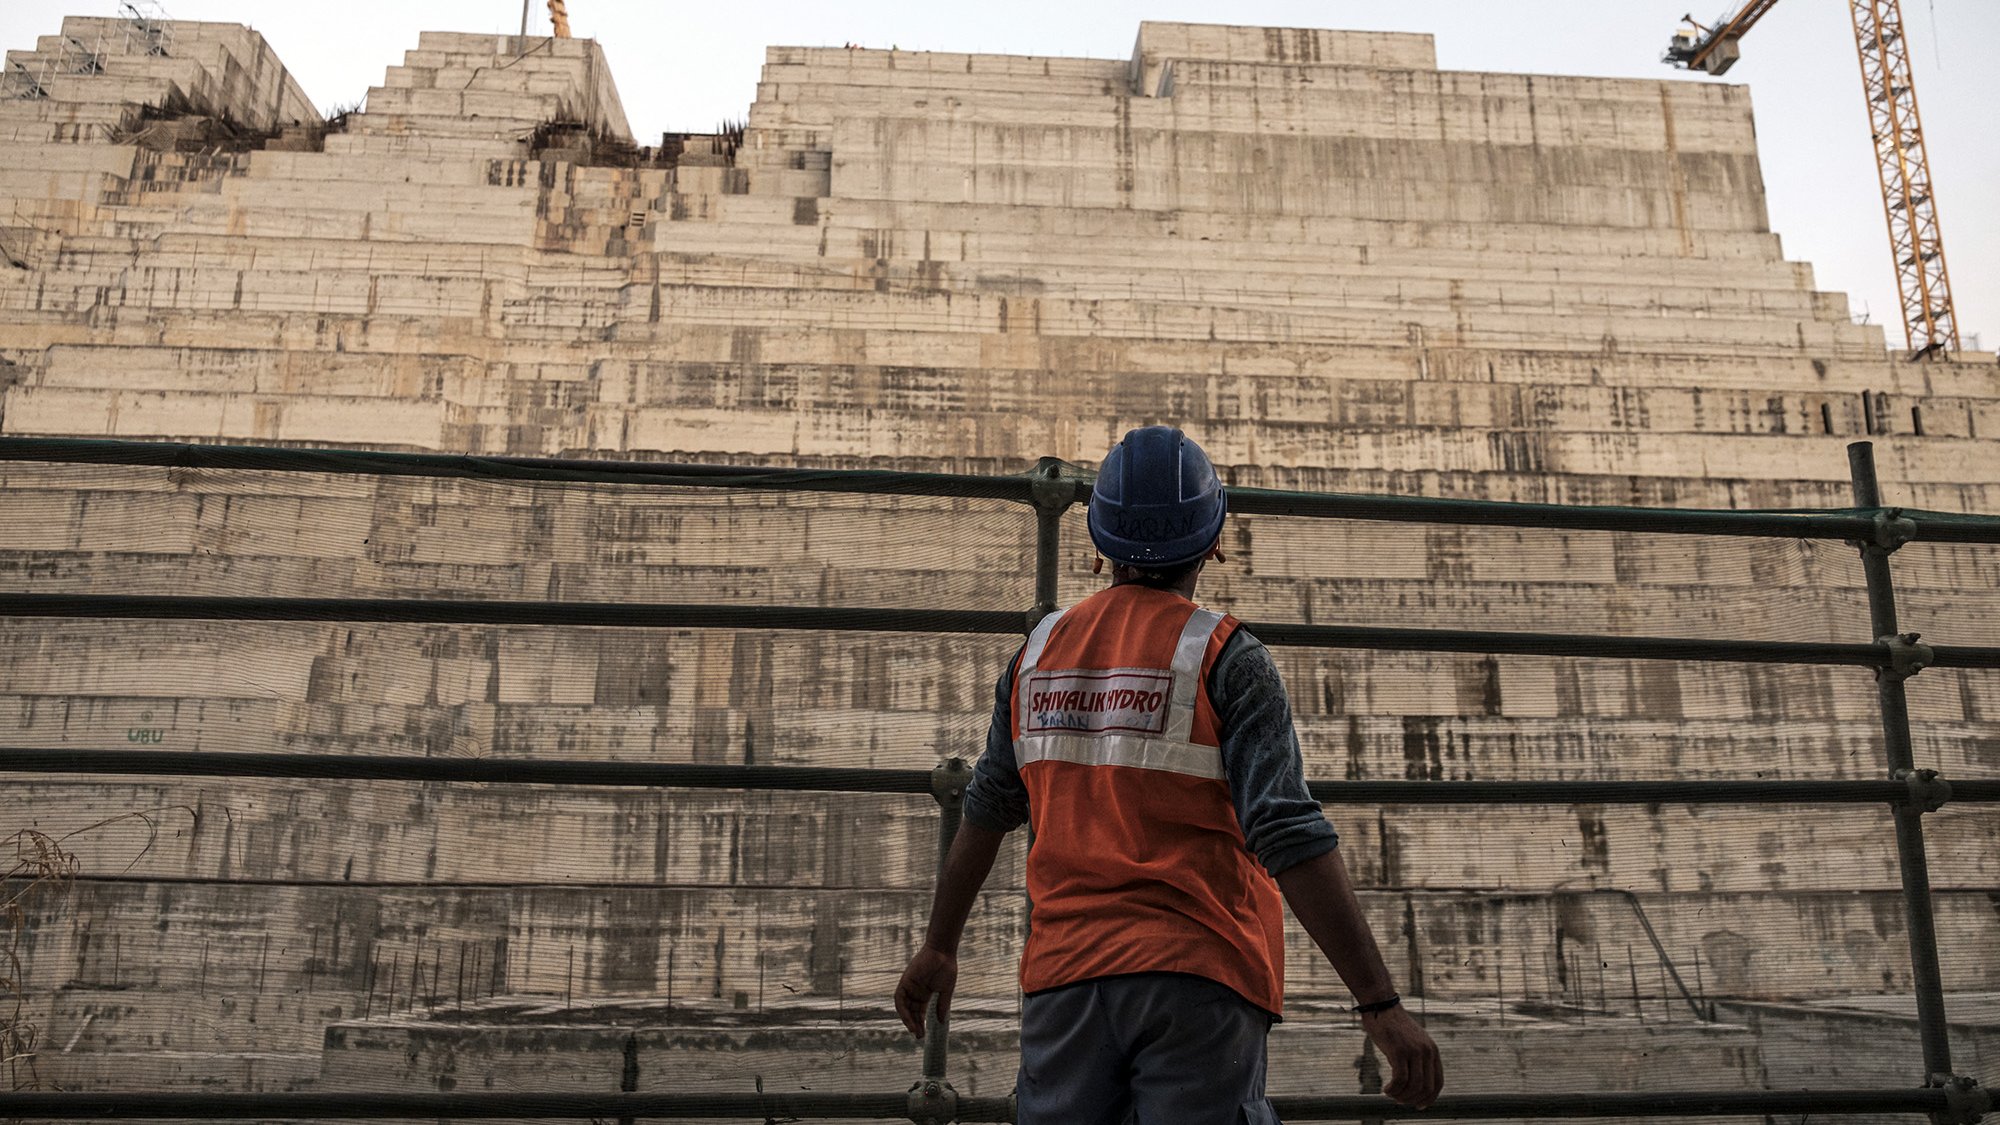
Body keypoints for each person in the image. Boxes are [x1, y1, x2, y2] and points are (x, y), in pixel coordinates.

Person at [894, 425, 1443, 1123]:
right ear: (1212, 540)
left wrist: (940, 944)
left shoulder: (1036, 655)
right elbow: (1286, 830)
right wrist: (1379, 1004)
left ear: (1099, 544)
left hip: (1065, 981)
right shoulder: (1226, 657)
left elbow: (988, 804)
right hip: (1201, 977)